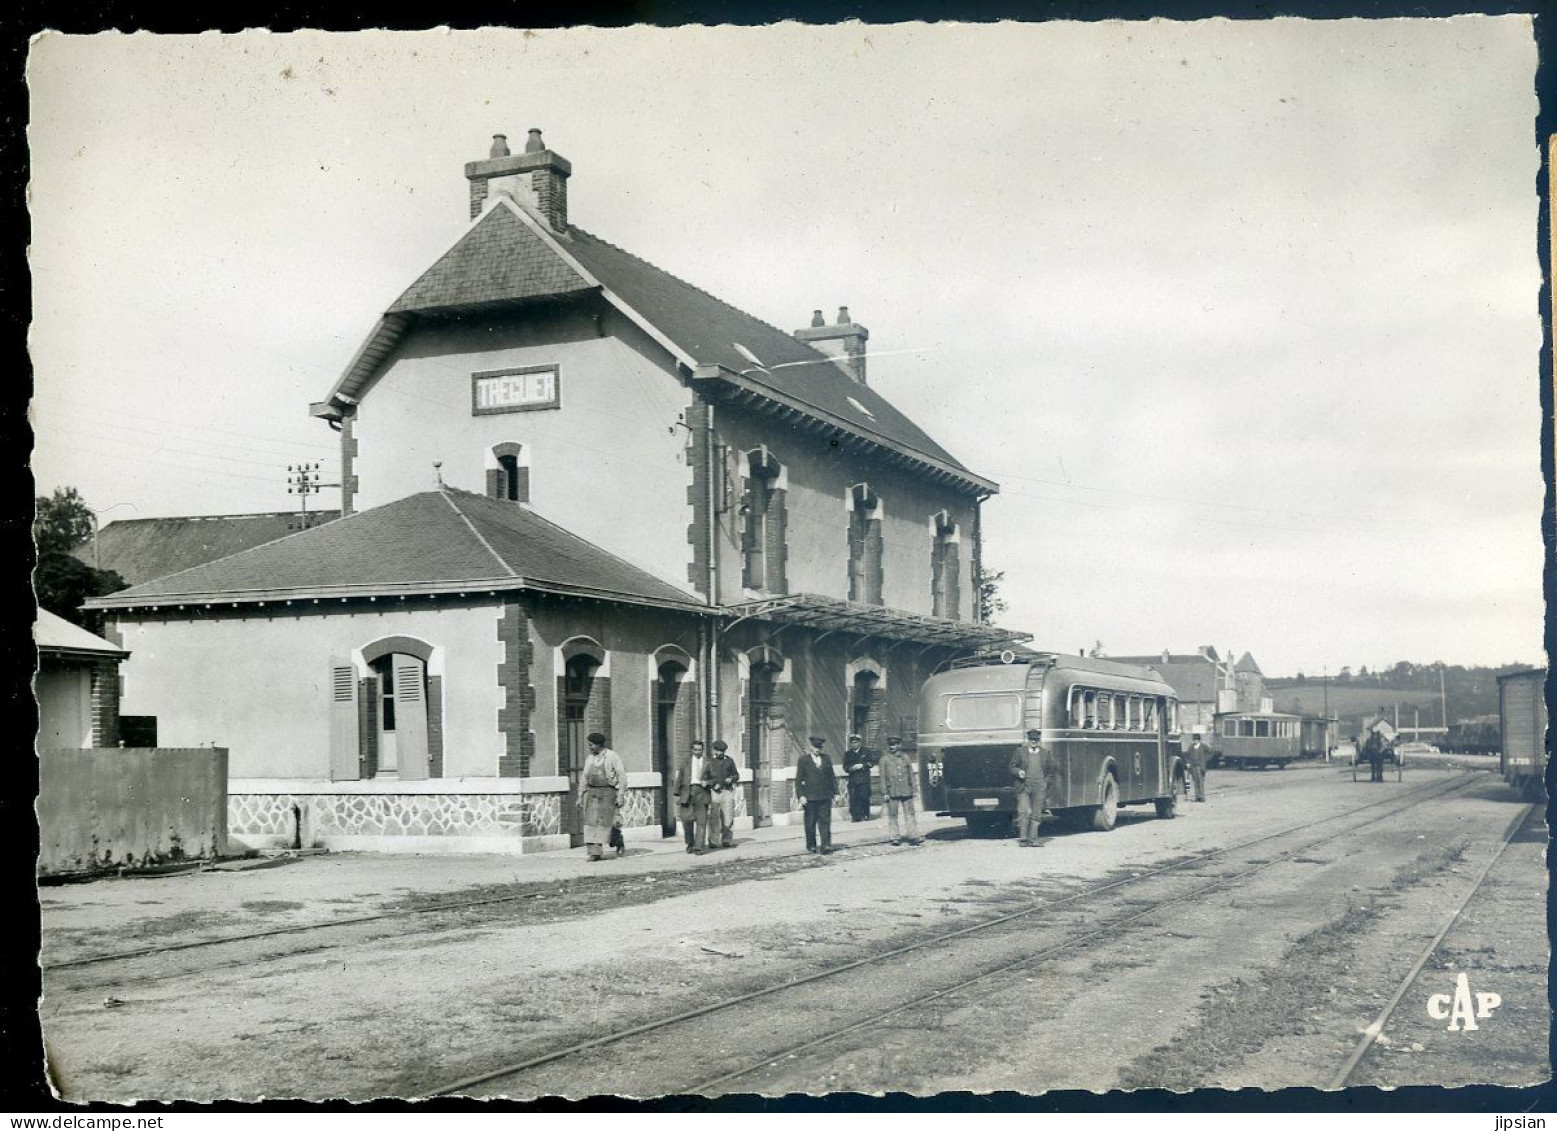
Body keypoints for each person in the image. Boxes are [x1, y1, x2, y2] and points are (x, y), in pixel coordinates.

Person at [578, 732, 625, 861]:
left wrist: (620, 794)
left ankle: (618, 840)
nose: (590, 748)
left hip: (608, 793)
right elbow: (584, 778)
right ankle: (595, 852)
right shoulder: (590, 758)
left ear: (599, 744)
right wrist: (580, 795)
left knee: (607, 823)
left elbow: (622, 776)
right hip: (592, 793)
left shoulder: (612, 757)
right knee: (591, 822)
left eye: (591, 745)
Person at [795, 735, 838, 854]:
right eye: (815, 747)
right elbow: (798, 779)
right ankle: (811, 845)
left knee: (825, 821)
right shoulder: (803, 760)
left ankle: (826, 845)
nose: (817, 749)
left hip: (825, 796)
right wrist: (801, 795)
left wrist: (836, 792)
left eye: (819, 747)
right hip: (810, 797)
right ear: (810, 747)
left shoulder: (826, 758)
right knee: (810, 822)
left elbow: (832, 777)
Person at [1010, 728, 1052, 846]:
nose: (1033, 742)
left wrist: (1045, 783)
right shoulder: (1020, 752)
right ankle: (1023, 839)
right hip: (1023, 786)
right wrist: (1018, 772)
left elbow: (1051, 771)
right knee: (1024, 811)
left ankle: (1034, 839)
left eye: (1036, 739)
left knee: (1036, 813)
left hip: (1039, 787)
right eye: (1031, 739)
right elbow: (1012, 767)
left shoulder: (1045, 753)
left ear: (1039, 740)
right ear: (1028, 740)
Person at [877, 736, 922, 846]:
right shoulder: (884, 759)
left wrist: (914, 788)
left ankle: (913, 836)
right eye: (890, 745)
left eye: (894, 744)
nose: (892, 747)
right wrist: (884, 792)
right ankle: (895, 837)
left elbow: (910, 774)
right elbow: (882, 777)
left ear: (899, 745)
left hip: (906, 789)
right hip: (892, 791)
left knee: (910, 814)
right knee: (893, 815)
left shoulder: (905, 757)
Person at [673, 739, 710, 855]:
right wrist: (676, 794)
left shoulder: (708, 762)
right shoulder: (686, 762)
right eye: (695, 750)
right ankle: (690, 843)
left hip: (702, 792)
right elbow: (679, 778)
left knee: (701, 821)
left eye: (700, 750)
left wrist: (708, 782)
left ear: (702, 750)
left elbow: (715, 778)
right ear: (692, 750)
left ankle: (699, 847)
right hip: (687, 792)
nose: (698, 752)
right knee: (686, 820)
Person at [703, 738, 740, 849]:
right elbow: (704, 778)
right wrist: (713, 784)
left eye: (722, 751)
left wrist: (732, 779)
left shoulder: (729, 761)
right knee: (714, 817)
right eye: (717, 751)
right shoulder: (709, 762)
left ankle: (727, 839)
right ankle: (713, 841)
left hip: (727, 791)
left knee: (728, 817)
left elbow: (736, 775)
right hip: (714, 793)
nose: (719, 753)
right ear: (714, 750)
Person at [843, 733, 876, 821]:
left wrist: (862, 765)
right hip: (853, 780)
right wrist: (851, 768)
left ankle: (865, 814)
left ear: (859, 743)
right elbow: (845, 767)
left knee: (864, 797)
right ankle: (855, 816)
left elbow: (871, 763)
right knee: (853, 798)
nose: (854, 744)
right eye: (852, 743)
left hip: (864, 779)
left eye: (856, 742)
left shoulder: (866, 751)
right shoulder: (848, 754)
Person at [1184, 732, 1211, 802]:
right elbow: (1187, 755)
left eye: (1197, 739)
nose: (1196, 741)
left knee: (1201, 782)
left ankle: (1202, 797)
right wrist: (1188, 763)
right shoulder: (1191, 747)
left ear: (1199, 740)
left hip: (1200, 767)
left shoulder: (1203, 746)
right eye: (1194, 739)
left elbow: (1211, 752)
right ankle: (1197, 797)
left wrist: (1205, 760)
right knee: (1195, 782)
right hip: (1193, 767)